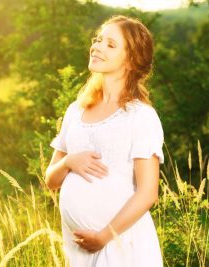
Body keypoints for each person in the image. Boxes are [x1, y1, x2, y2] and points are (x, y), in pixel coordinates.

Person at [45, 15, 164, 267]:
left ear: (130, 60)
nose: (97, 46)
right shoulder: (75, 111)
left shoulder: (140, 116)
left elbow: (148, 193)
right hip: (80, 252)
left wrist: (103, 236)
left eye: (110, 44)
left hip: (123, 246)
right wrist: (68, 161)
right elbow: (51, 181)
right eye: (98, 40)